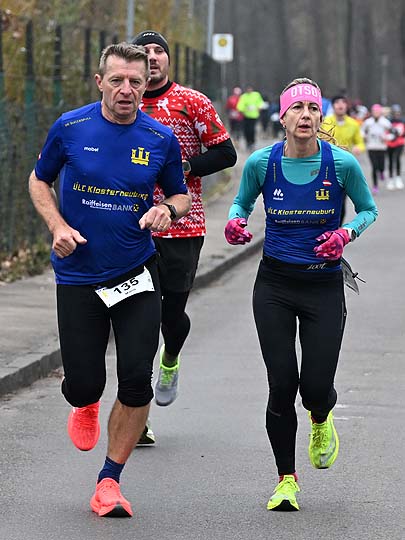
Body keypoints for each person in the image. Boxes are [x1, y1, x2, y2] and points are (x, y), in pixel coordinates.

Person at [28, 42, 191, 518]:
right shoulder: (71, 127)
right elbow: (39, 180)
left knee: (137, 379)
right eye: (117, 80)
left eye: (136, 82)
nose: (126, 90)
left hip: (136, 271)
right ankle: (84, 402)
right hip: (79, 273)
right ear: (100, 82)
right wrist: (57, 226)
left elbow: (180, 195)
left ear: (146, 85)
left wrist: (167, 210)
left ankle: (109, 482)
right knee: (85, 383)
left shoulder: (159, 138)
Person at [224, 77, 377, 511]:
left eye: (313, 108)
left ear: (320, 116)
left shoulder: (342, 164)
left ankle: (321, 415)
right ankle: (286, 480)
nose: (305, 115)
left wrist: (345, 234)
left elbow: (368, 209)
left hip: (323, 287)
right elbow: (241, 203)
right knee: (281, 385)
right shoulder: (262, 163)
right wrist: (235, 222)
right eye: (297, 108)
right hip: (274, 285)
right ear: (283, 116)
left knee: (314, 388)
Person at [131, 30, 236, 442]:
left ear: (168, 59)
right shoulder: (124, 102)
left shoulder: (191, 101)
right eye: (144, 51)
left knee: (170, 317)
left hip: (182, 225)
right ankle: (138, 416)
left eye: (159, 51)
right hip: (132, 226)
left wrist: (183, 167)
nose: (152, 57)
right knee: (138, 319)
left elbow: (225, 153)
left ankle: (170, 357)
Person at [323, 95, 366, 223]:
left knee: (341, 201)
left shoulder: (353, 124)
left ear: (347, 106)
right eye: (337, 102)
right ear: (333, 106)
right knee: (324, 198)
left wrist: (359, 148)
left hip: (345, 167)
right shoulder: (325, 122)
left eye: (343, 102)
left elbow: (360, 142)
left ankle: (337, 229)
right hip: (326, 166)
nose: (340, 105)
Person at [361, 104, 392, 194]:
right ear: (372, 112)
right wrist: (364, 136)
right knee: (374, 167)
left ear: (381, 112)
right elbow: (361, 131)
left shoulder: (385, 122)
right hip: (371, 147)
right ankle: (375, 186)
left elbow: (393, 133)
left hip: (381, 147)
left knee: (381, 166)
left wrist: (387, 137)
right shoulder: (368, 122)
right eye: (374, 112)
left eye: (378, 112)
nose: (376, 113)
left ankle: (381, 172)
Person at [236, 84, 264, 151]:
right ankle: (248, 142)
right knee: (246, 130)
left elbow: (260, 103)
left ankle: (252, 142)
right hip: (246, 116)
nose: (249, 90)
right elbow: (240, 106)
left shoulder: (256, 95)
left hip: (254, 116)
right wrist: (243, 109)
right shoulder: (243, 96)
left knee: (252, 129)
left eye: (250, 89)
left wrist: (259, 107)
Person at [386, 104, 405, 190]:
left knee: (397, 159)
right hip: (390, 144)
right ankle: (390, 179)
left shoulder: (402, 121)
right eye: (395, 112)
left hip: (399, 143)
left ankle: (398, 178)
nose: (397, 114)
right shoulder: (388, 121)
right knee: (390, 160)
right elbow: (385, 131)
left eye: (398, 112)